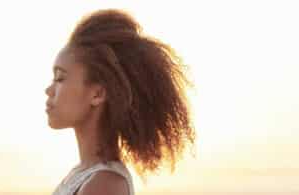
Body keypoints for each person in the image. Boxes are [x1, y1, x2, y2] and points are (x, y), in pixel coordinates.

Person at [45, 8, 196, 195]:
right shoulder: (83, 174)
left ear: (97, 94)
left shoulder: (105, 184)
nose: (49, 90)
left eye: (60, 78)